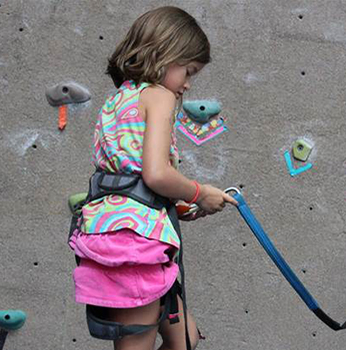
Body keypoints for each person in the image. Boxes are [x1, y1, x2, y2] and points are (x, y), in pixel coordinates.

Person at [68, 6, 237, 350]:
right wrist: (199, 192)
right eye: (188, 71)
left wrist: (180, 208)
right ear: (163, 55)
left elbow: (127, 181)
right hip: (134, 247)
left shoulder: (119, 99)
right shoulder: (159, 96)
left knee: (185, 338)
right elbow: (156, 173)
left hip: (122, 234)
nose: (187, 84)